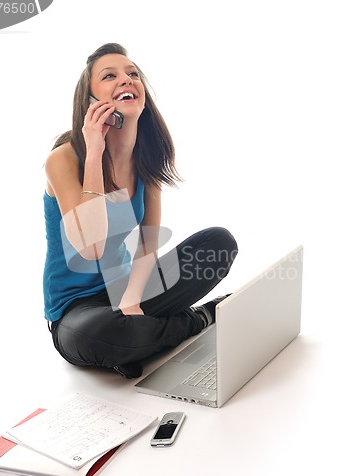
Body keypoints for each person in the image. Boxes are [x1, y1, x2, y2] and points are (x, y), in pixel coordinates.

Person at [43, 43, 238, 378]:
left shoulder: (146, 161)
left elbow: (147, 246)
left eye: (133, 74)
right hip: (77, 312)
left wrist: (131, 301)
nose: (127, 80)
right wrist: (94, 153)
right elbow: (92, 248)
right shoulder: (63, 159)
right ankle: (199, 318)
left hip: (128, 289)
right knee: (99, 334)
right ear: (89, 102)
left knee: (218, 244)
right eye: (110, 76)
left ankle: (136, 340)